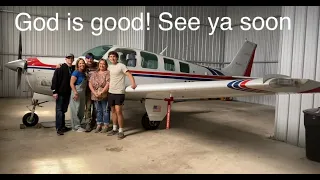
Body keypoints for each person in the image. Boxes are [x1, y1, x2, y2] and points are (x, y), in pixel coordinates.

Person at [106, 51, 137, 139]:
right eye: (111, 57)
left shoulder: (121, 66)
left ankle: (121, 130)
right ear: (109, 58)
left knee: (118, 111)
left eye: (114, 56)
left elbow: (129, 74)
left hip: (119, 92)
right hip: (110, 92)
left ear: (117, 58)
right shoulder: (109, 67)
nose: (112, 58)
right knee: (113, 111)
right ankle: (114, 129)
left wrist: (133, 83)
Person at [51, 53, 75, 135]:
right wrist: (54, 91)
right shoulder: (60, 67)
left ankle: (63, 126)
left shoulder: (73, 68)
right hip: (60, 93)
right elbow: (55, 80)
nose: (70, 59)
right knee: (59, 111)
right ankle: (59, 128)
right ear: (66, 59)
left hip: (68, 93)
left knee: (64, 110)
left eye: (71, 58)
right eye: (68, 58)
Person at [88, 59, 110, 133]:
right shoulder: (95, 73)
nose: (102, 65)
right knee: (98, 110)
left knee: (105, 110)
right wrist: (94, 92)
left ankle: (106, 125)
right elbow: (90, 83)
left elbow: (108, 83)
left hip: (104, 95)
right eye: (100, 63)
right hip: (95, 95)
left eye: (103, 64)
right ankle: (99, 125)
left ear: (106, 65)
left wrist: (102, 92)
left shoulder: (107, 73)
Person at [69, 58, 87, 132]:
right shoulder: (75, 72)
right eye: (80, 63)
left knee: (81, 110)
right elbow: (71, 83)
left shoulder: (83, 73)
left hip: (82, 93)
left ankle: (79, 124)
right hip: (76, 92)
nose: (82, 64)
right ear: (77, 64)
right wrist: (75, 92)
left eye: (83, 63)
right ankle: (75, 127)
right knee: (75, 109)